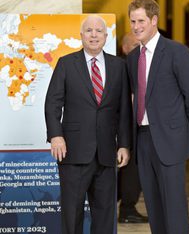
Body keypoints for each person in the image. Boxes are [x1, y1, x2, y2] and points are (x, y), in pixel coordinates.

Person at [45, 15, 132, 234]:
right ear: (81, 35)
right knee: (72, 213)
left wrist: (124, 144)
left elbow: (124, 110)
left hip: (106, 153)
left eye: (98, 31)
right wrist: (56, 135)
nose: (94, 35)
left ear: (106, 35)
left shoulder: (119, 66)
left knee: (104, 214)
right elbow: (52, 103)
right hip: (72, 152)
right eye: (89, 31)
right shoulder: (66, 63)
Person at [126, 0, 189, 234]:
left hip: (171, 140)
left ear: (154, 20)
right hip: (143, 140)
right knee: (153, 206)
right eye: (132, 21)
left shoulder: (176, 52)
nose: (136, 26)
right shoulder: (132, 58)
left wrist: (180, 132)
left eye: (141, 21)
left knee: (174, 207)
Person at [117, 32, 148, 223]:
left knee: (134, 169)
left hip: (139, 125)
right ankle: (127, 208)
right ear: (125, 48)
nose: (140, 50)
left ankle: (128, 207)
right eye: (135, 46)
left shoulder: (143, 66)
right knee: (131, 168)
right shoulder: (122, 67)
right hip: (125, 126)